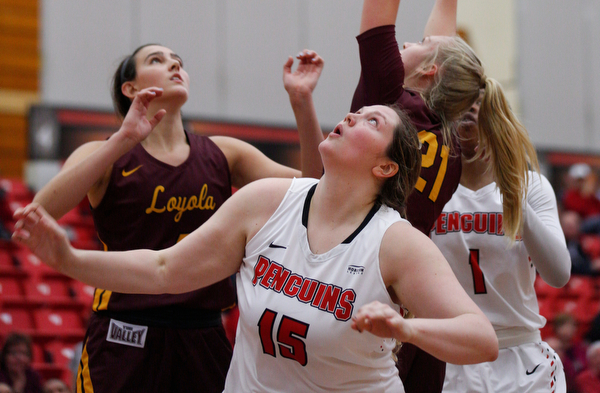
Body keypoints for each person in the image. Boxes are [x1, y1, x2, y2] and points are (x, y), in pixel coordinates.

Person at [14, 101, 499, 393]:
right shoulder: (267, 202)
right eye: (357, 111)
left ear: (385, 168)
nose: (351, 115)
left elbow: (481, 339)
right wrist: (68, 260)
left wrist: (405, 329)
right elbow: (163, 269)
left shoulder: (396, 242)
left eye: (371, 122)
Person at [29, 43, 325, 393]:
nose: (174, 66)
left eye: (179, 62)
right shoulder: (103, 153)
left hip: (203, 333)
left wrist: (302, 102)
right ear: (131, 89)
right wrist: (123, 139)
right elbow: (38, 214)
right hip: (125, 331)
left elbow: (315, 189)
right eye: (157, 60)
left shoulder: (224, 153)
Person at [350, 0, 511, 392]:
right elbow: (441, 47)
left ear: (426, 73)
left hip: (354, 295)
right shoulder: (448, 140)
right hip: (413, 314)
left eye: (414, 46)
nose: (407, 42)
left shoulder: (386, 104)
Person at [430, 85, 571, 392]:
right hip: (451, 356)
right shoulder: (430, 190)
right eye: (460, 101)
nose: (469, 108)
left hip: (520, 356)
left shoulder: (530, 185)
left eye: (477, 101)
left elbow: (559, 273)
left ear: (499, 116)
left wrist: (511, 190)